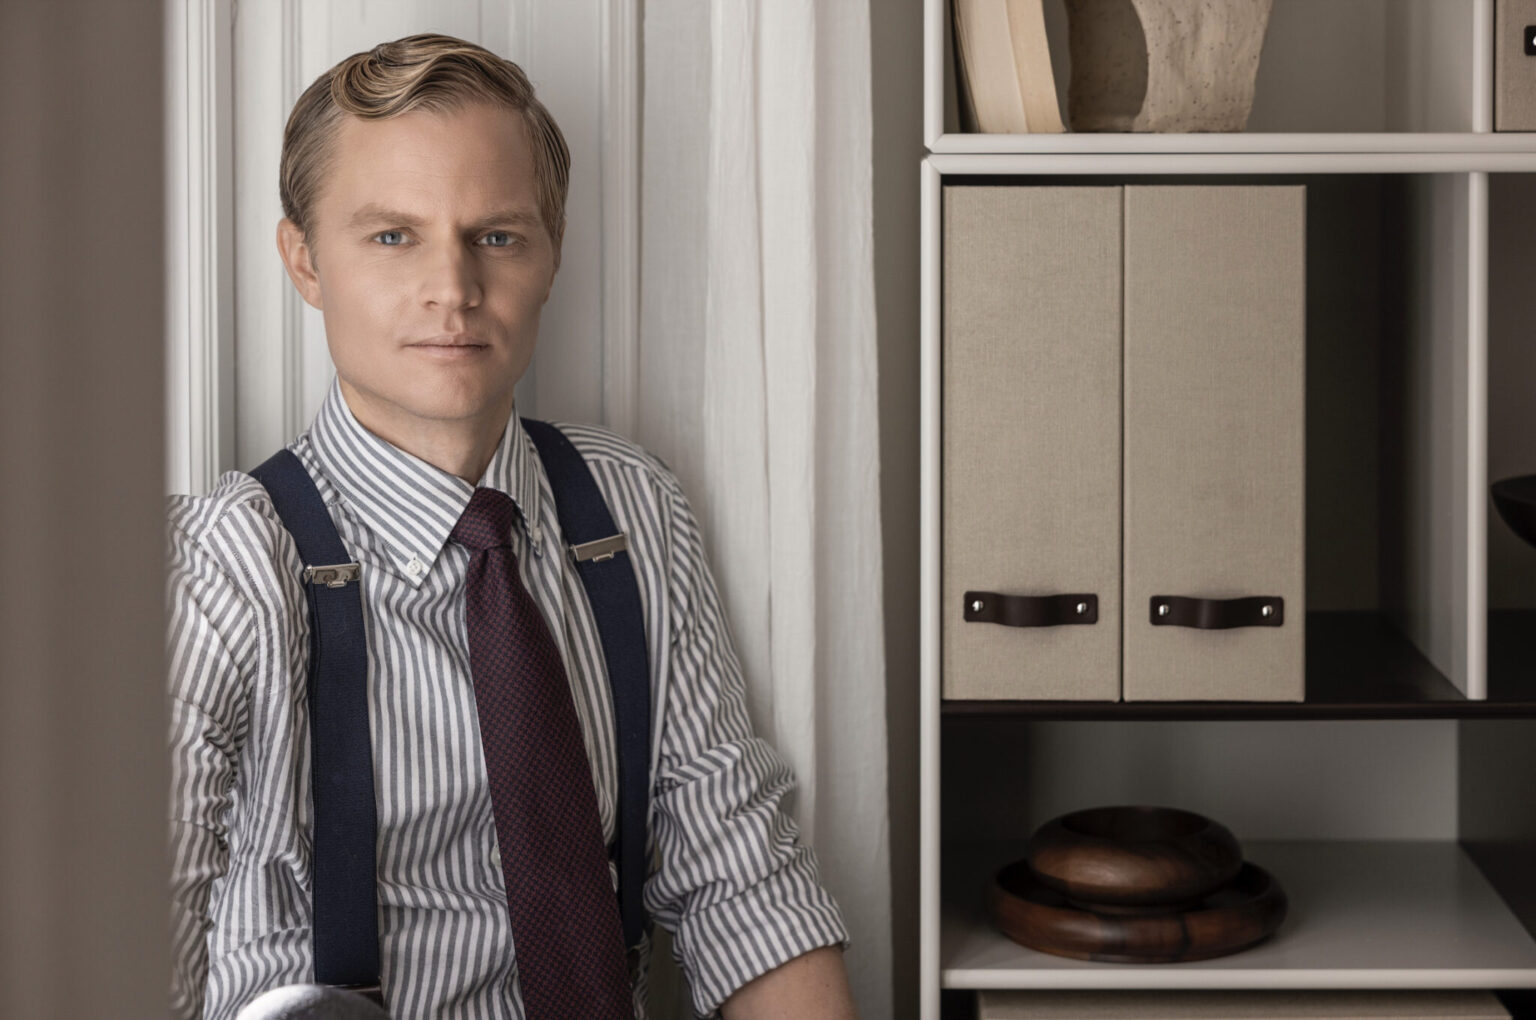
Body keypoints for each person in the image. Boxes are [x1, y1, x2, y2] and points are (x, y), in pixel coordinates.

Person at [165, 32, 857, 1020]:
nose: (453, 288)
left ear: (550, 253)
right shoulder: (223, 563)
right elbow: (137, 934)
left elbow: (743, 885)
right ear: (304, 260)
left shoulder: (631, 510)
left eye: (496, 234)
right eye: (392, 235)